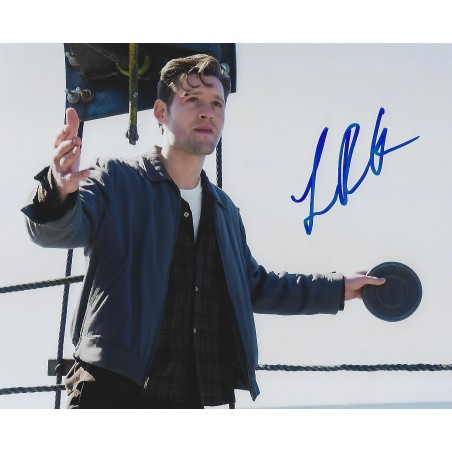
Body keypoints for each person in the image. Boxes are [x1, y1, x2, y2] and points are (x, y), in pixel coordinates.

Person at [21, 53, 385, 409]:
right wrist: (58, 188)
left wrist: (339, 288)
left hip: (189, 397)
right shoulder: (117, 179)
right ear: (161, 112)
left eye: (217, 103)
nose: (207, 112)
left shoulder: (225, 211)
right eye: (192, 99)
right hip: (110, 391)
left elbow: (255, 286)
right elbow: (53, 231)